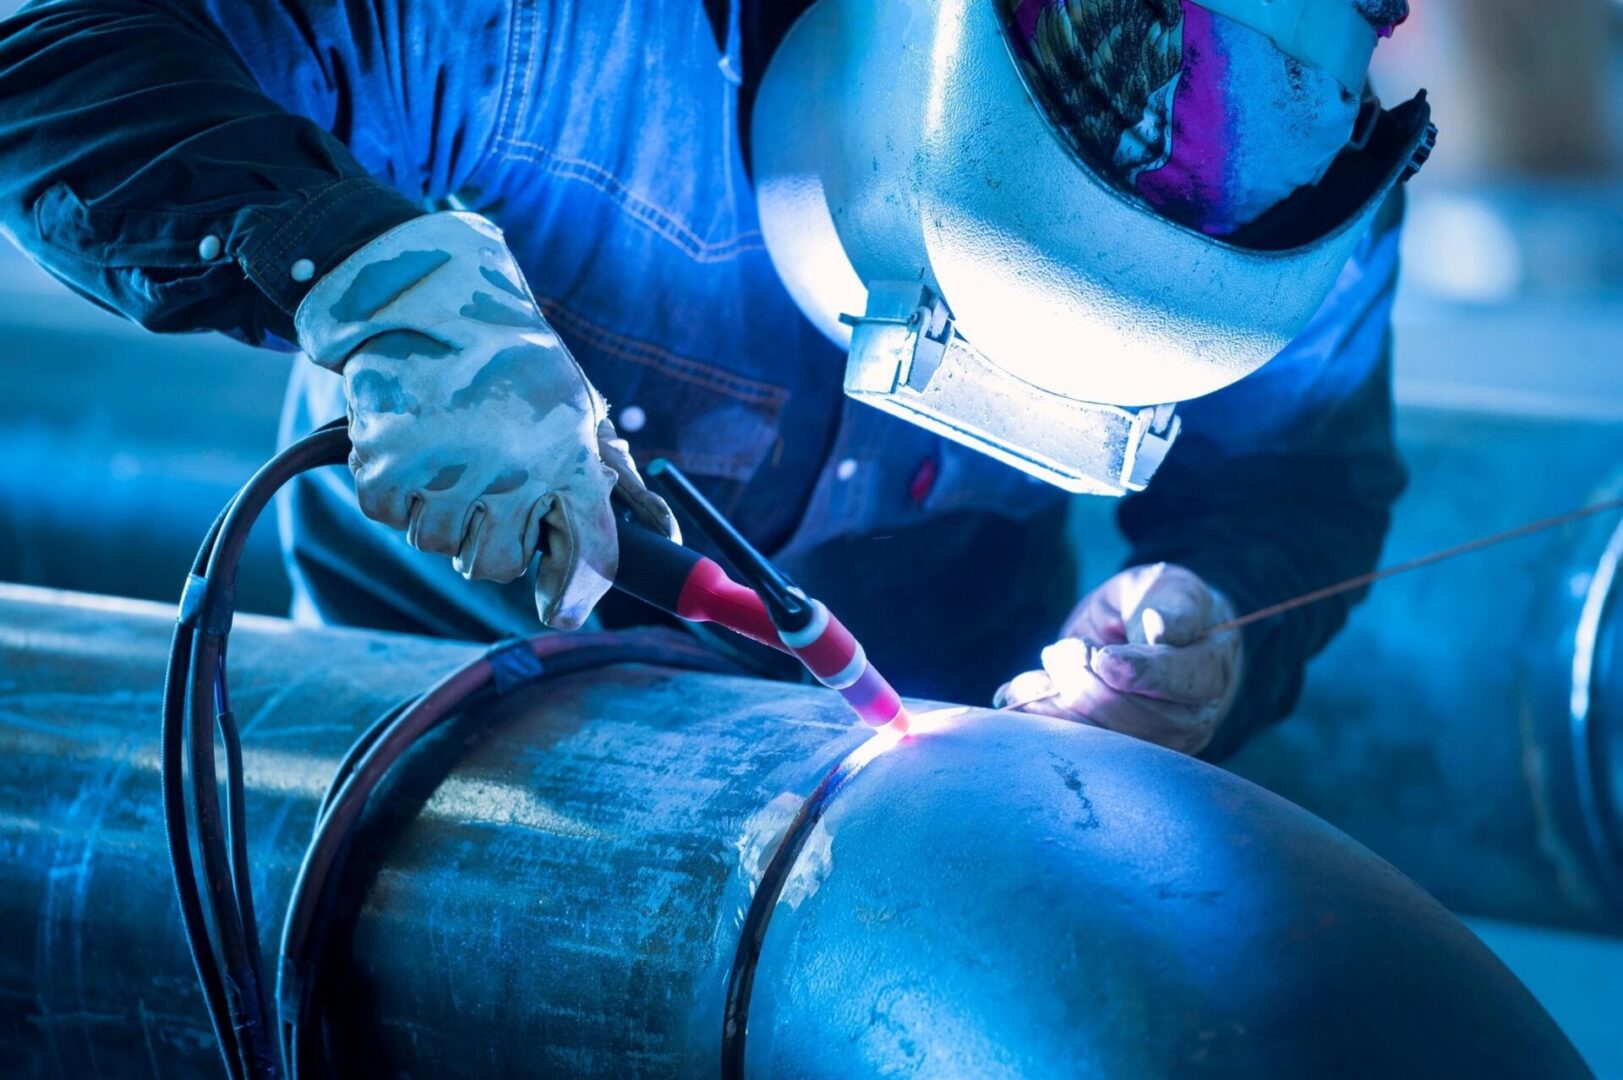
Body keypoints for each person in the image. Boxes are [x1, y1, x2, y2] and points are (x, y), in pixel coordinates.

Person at [0, 0, 1416, 759]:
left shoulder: (1294, 177)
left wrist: (1214, 628)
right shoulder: (539, 36)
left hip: (920, 839)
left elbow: (1299, 476)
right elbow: (56, 42)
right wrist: (356, 268)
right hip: (446, 778)